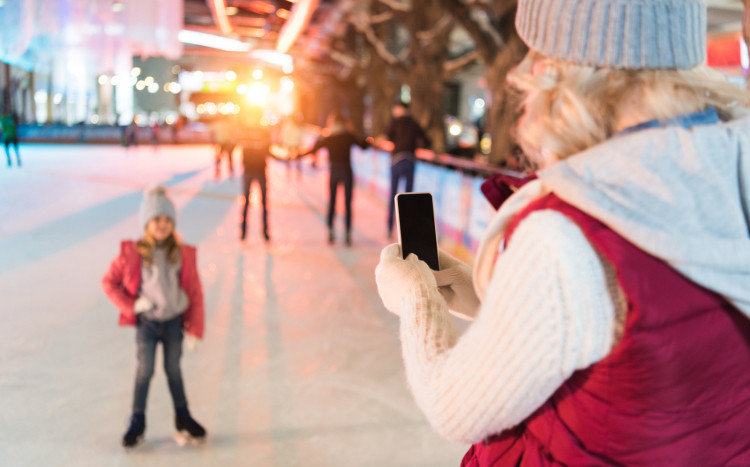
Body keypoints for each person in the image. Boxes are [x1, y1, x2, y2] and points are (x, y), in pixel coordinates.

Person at [374, 0, 750, 465]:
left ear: (571, 72)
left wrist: (416, 300)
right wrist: (490, 296)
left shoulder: (568, 233)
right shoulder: (733, 176)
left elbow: (455, 409)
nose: (518, 74)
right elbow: (637, 329)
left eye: (538, 53)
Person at [101, 185, 206, 449]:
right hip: (147, 324)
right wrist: (132, 305)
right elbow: (108, 283)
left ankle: (183, 416)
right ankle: (137, 421)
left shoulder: (182, 253)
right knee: (145, 371)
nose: (162, 225)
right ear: (146, 223)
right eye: (156, 220)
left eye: (167, 220)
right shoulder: (133, 253)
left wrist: (195, 329)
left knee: (174, 370)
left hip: (173, 324)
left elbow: (195, 292)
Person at [298, 111, 370, 246]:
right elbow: (363, 146)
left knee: (332, 201)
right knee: (348, 203)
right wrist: (368, 139)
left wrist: (299, 155)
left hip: (334, 172)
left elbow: (314, 149)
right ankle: (348, 232)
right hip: (347, 171)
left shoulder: (329, 138)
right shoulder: (348, 136)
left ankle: (331, 230)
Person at [380, 102, 431, 238]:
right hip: (409, 161)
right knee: (408, 198)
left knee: (393, 196)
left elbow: (386, 135)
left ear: (400, 109)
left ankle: (390, 228)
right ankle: (407, 232)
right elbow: (427, 140)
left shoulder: (394, 122)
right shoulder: (414, 123)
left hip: (396, 160)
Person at [238, 107, 273, 242]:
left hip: (258, 170)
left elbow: (267, 151)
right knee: (247, 202)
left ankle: (264, 231)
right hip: (251, 170)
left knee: (263, 202)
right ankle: (244, 231)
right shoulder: (248, 132)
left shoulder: (262, 133)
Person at [278, 112, 306, 179]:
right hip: (290, 144)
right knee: (290, 159)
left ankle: (297, 174)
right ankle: (289, 173)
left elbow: (301, 134)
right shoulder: (290, 125)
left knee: (296, 159)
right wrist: (282, 141)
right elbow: (285, 133)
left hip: (295, 144)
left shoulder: (298, 125)